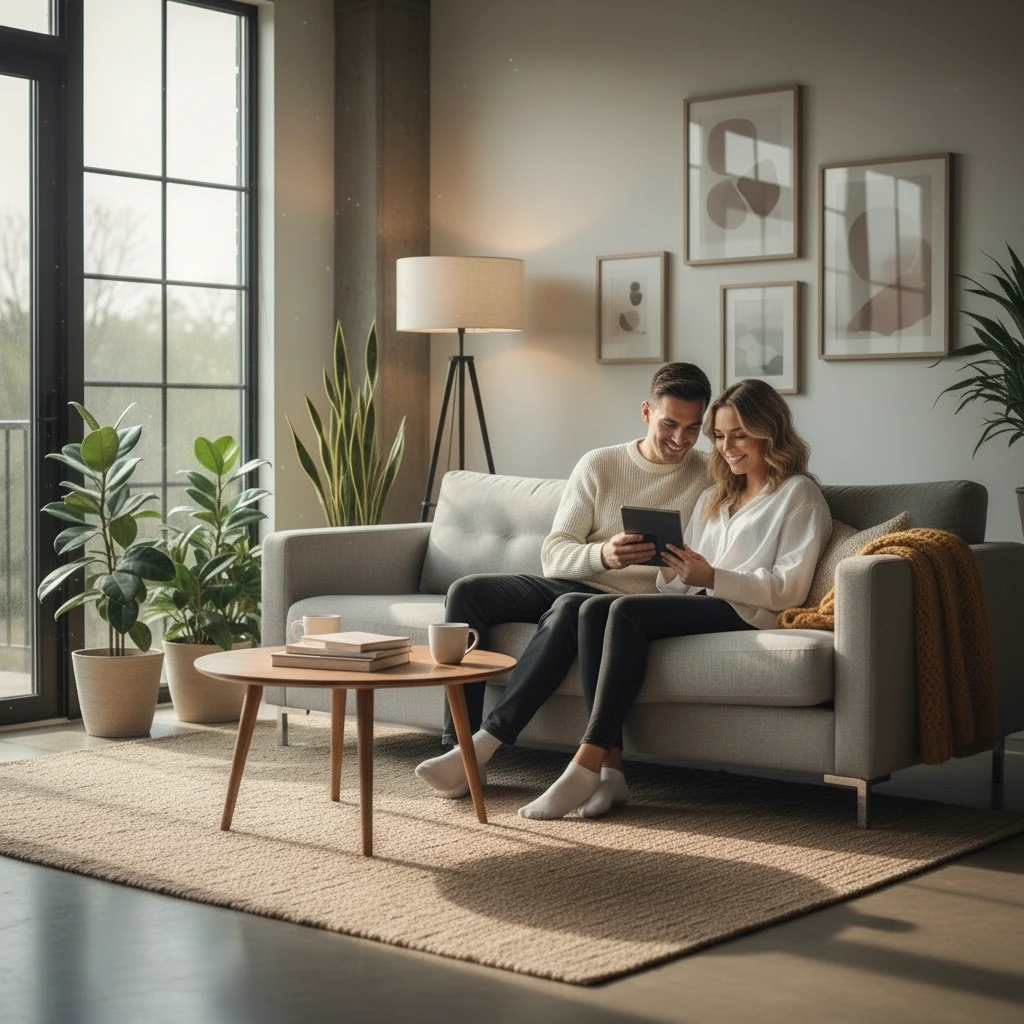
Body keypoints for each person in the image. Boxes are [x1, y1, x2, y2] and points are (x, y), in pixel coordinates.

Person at [517, 377, 833, 820]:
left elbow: (790, 588)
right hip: (708, 602)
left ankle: (584, 764)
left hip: (750, 614)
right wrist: (673, 568)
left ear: (770, 431)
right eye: (720, 436)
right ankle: (612, 774)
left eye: (739, 434)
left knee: (624, 611)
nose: (727, 447)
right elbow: (681, 587)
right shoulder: (715, 496)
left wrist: (713, 575)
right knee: (592, 609)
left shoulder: (798, 495)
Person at [415, 362, 714, 800]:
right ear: (647, 412)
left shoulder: (710, 472)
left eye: (693, 429)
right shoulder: (600, 464)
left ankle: (480, 749)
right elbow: (553, 554)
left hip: (630, 606)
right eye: (670, 424)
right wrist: (603, 555)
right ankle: (459, 747)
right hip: (580, 579)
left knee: (570, 608)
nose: (680, 440)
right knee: (467, 591)